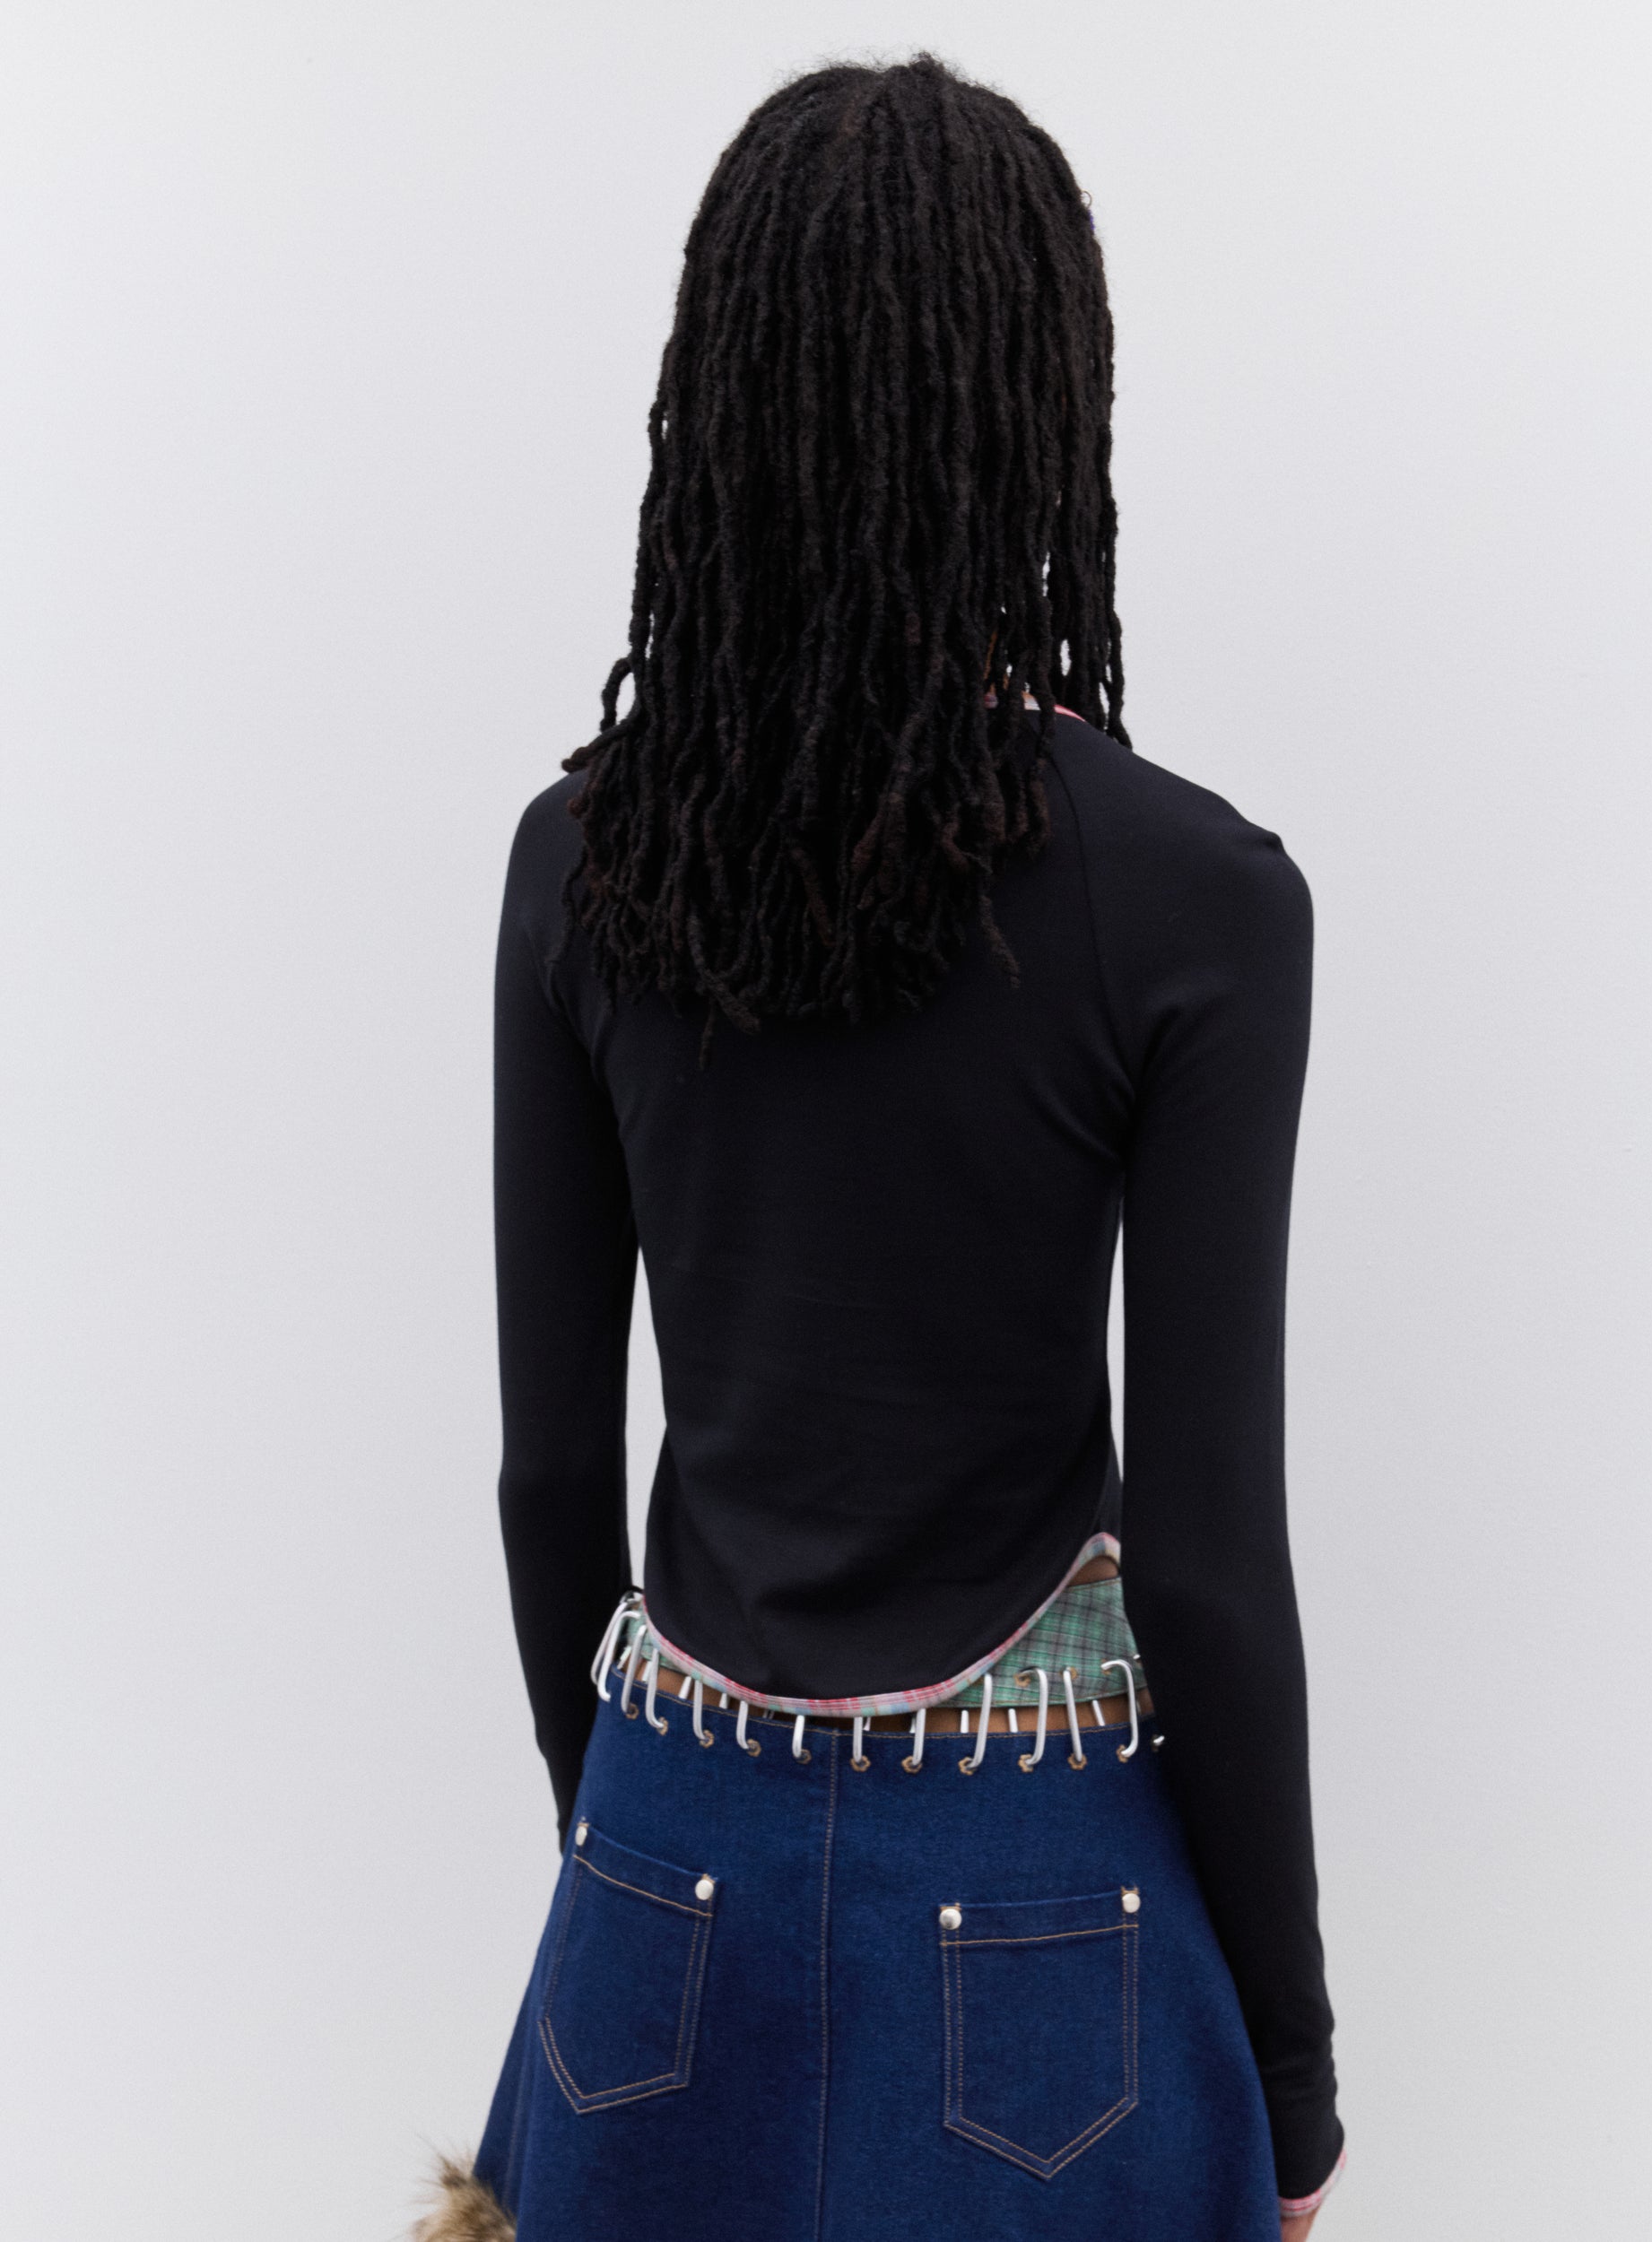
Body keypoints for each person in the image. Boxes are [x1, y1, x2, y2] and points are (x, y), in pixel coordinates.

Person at [418, 54, 1343, 2242]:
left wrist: (623, 1853)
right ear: (1038, 410)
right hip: (1045, 1921)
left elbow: (550, 1478)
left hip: (664, 1869)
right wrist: (1294, 2081)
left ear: (724, 404)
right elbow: (1206, 1560)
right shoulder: (1198, 900)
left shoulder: (587, 864)